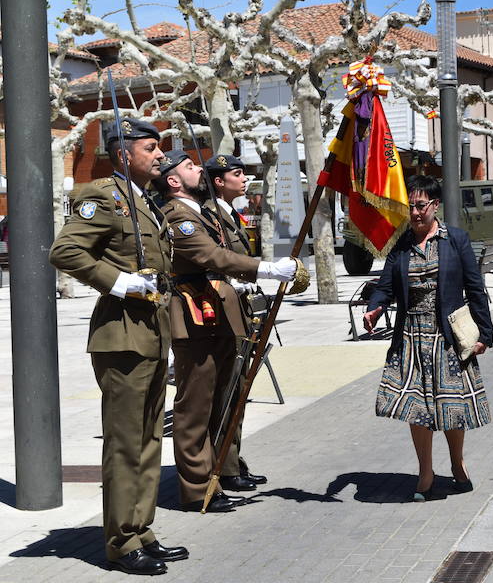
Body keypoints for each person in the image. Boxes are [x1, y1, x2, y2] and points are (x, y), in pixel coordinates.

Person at [49, 118, 188, 575]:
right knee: (126, 443)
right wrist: (119, 282)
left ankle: (140, 528)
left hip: (151, 331)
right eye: (150, 147)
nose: (159, 155)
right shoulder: (102, 196)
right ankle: (120, 542)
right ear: (124, 152)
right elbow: (66, 251)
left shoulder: (145, 201)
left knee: (149, 440)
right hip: (122, 335)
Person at [154, 150, 304, 513]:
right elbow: (212, 258)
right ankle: (196, 489)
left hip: (213, 311)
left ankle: (215, 476)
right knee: (196, 405)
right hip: (192, 313)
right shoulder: (178, 216)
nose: (199, 170)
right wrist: (268, 269)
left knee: (219, 399)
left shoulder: (199, 212)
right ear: (174, 181)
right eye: (190, 167)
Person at [363, 175, 493, 501]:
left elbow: (475, 288)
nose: (416, 213)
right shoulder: (402, 245)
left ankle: (457, 464)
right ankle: (425, 472)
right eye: (412, 207)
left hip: (446, 337)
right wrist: (375, 307)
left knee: (451, 406)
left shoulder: (456, 240)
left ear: (435, 205)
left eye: (421, 206)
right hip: (410, 336)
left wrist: (485, 333)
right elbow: (386, 284)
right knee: (415, 408)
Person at [204, 154, 269, 491]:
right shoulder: (210, 216)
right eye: (237, 173)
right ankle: (226, 467)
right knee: (229, 393)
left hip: (242, 310)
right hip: (225, 312)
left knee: (240, 392)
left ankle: (234, 461)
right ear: (218, 181)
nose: (244, 179)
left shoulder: (229, 215)